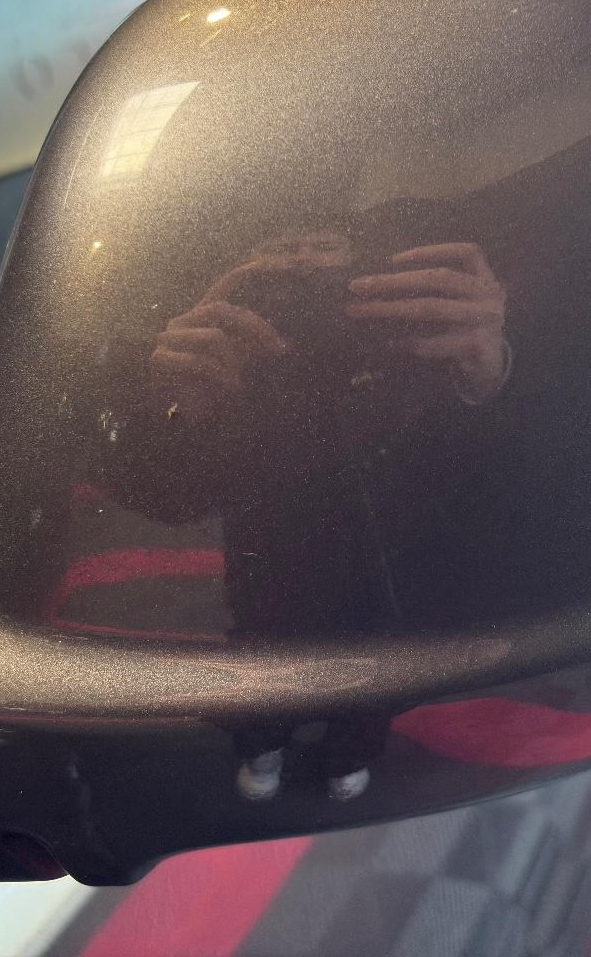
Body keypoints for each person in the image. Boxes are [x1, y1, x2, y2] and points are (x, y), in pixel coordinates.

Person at [104, 218, 510, 801]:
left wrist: (487, 372)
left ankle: (349, 753)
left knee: (373, 672)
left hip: (382, 559)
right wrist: (177, 407)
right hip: (268, 554)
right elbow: (172, 501)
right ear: (245, 275)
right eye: (281, 250)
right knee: (263, 665)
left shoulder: (406, 345)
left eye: (322, 248)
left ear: (359, 269)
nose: (302, 265)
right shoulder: (222, 358)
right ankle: (263, 746)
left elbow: (468, 475)